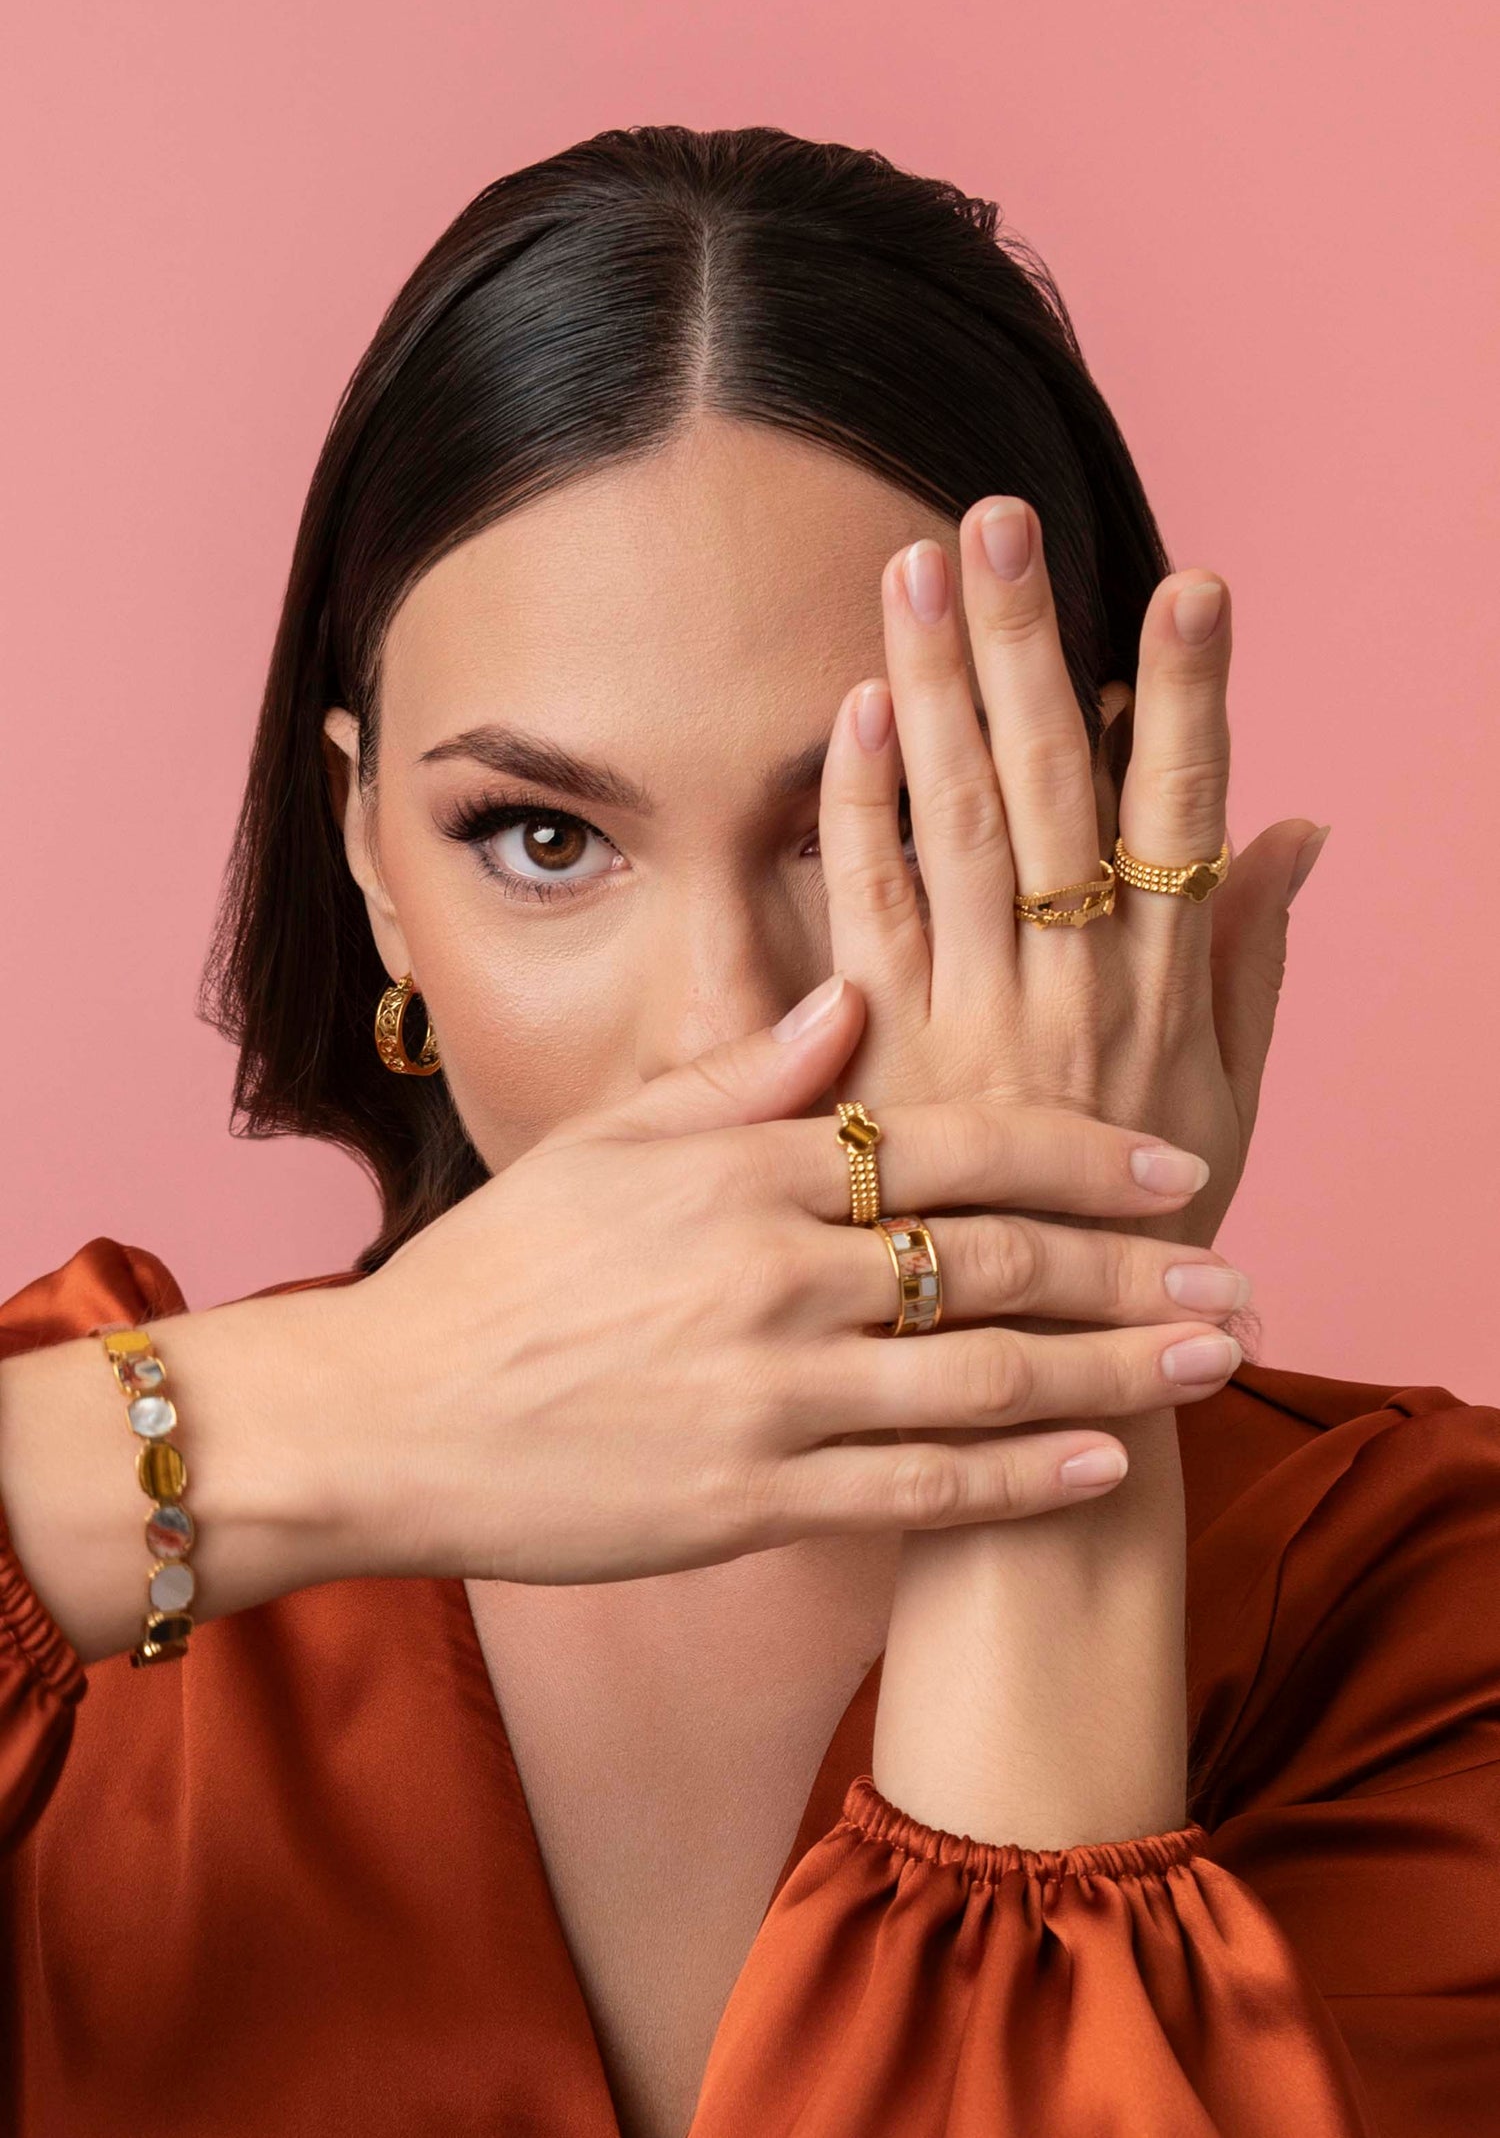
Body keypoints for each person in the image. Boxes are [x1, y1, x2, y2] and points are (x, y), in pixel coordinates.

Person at [0, 125, 1494, 2138]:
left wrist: (1043, 1474)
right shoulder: (86, 1525)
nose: (725, 1023)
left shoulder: (1419, 1617)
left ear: (1112, 836)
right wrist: (304, 1424)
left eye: (853, 832)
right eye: (542, 837)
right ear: (365, 849)